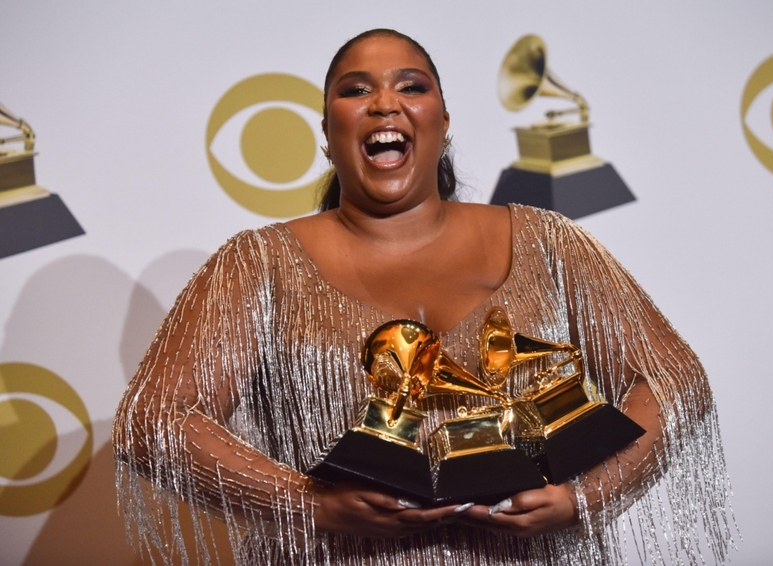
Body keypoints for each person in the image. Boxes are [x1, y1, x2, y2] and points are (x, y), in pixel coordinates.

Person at [113, 29, 735, 566]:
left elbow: (673, 378)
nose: (385, 102)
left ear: (443, 121)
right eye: (356, 90)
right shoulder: (257, 264)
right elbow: (154, 419)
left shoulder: (547, 241)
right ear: (328, 135)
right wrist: (312, 505)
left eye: (411, 86)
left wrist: (584, 499)